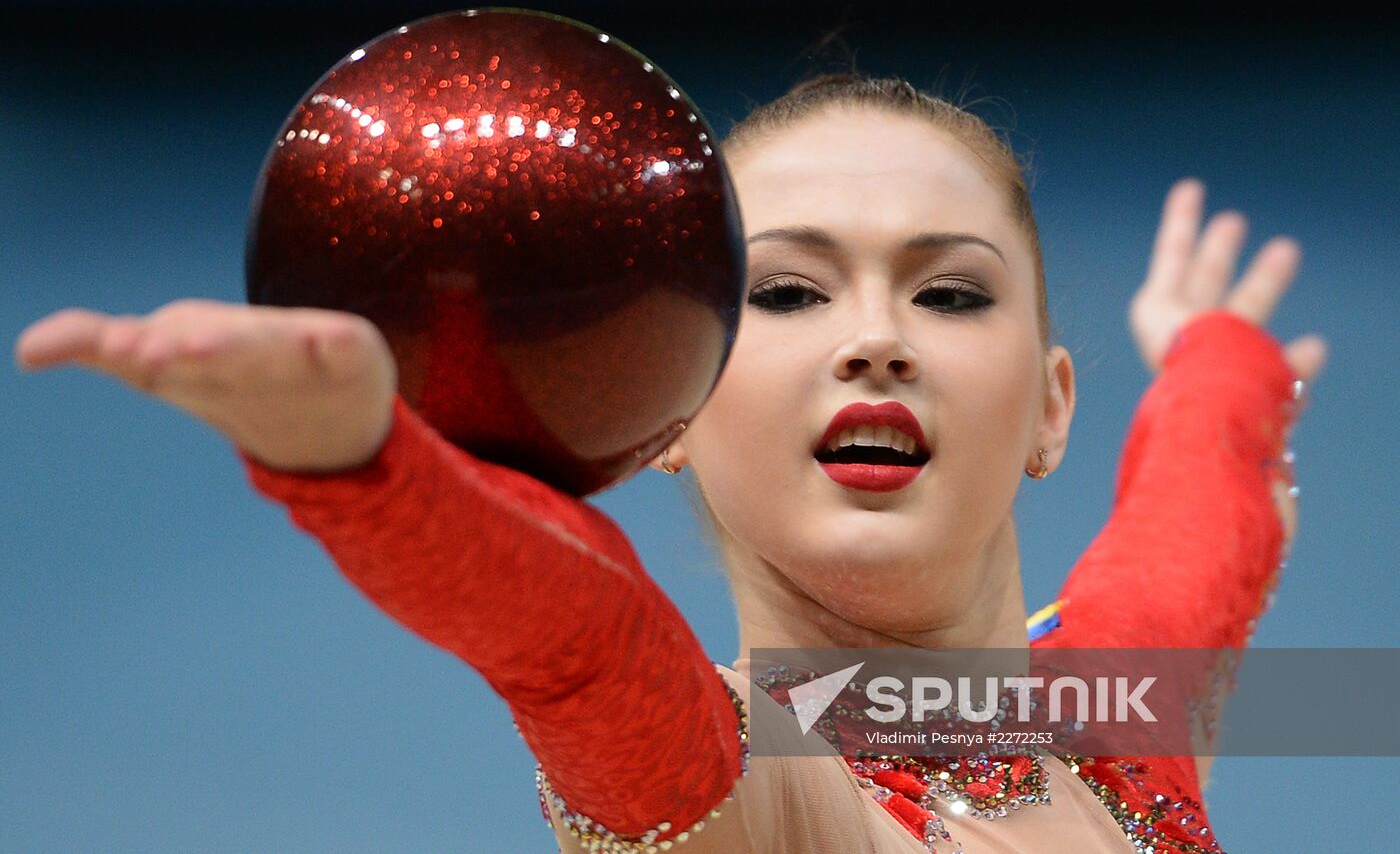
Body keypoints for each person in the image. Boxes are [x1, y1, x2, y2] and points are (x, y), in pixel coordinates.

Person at [15, 74, 1326, 853]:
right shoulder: (749, 784)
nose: (875, 339)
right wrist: (354, 460)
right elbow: (580, 639)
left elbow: (1195, 522)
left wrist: (1218, 358)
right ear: (668, 411)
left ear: (1051, 414)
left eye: (952, 296)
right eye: (793, 294)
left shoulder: (1106, 714)